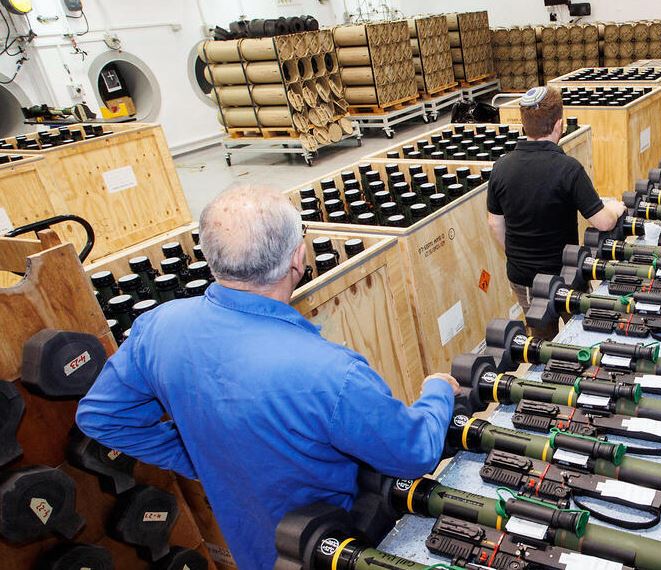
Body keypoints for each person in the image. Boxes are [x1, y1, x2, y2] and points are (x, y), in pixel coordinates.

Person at [76, 185, 460, 570]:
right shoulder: (331, 373)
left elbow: (101, 417)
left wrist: (203, 456)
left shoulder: (160, 327)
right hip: (338, 549)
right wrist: (438, 391)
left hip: (255, 553)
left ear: (211, 258)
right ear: (298, 258)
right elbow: (413, 453)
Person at [487, 86, 626, 338]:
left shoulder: (501, 167)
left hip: (523, 278)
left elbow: (495, 223)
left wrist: (520, 256)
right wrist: (615, 209)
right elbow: (604, 222)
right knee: (585, 334)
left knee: (541, 345)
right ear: (559, 125)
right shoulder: (568, 169)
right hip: (566, 276)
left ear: (524, 125)